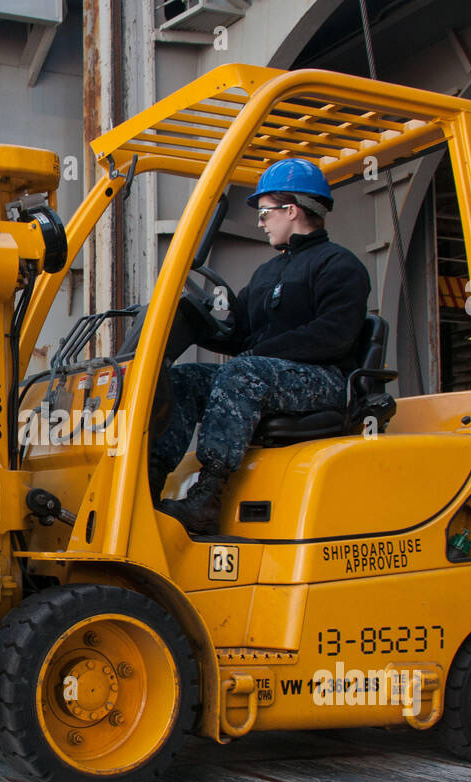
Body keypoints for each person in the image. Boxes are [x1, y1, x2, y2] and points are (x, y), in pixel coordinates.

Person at [152, 157, 371, 536]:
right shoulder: (268, 272)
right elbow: (240, 335)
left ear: (292, 209)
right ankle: (150, 480)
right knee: (184, 379)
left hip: (326, 380)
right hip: (267, 375)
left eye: (265, 210)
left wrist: (259, 354)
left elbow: (333, 335)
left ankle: (207, 496)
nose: (260, 220)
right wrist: (200, 324)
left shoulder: (339, 265)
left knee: (241, 373)